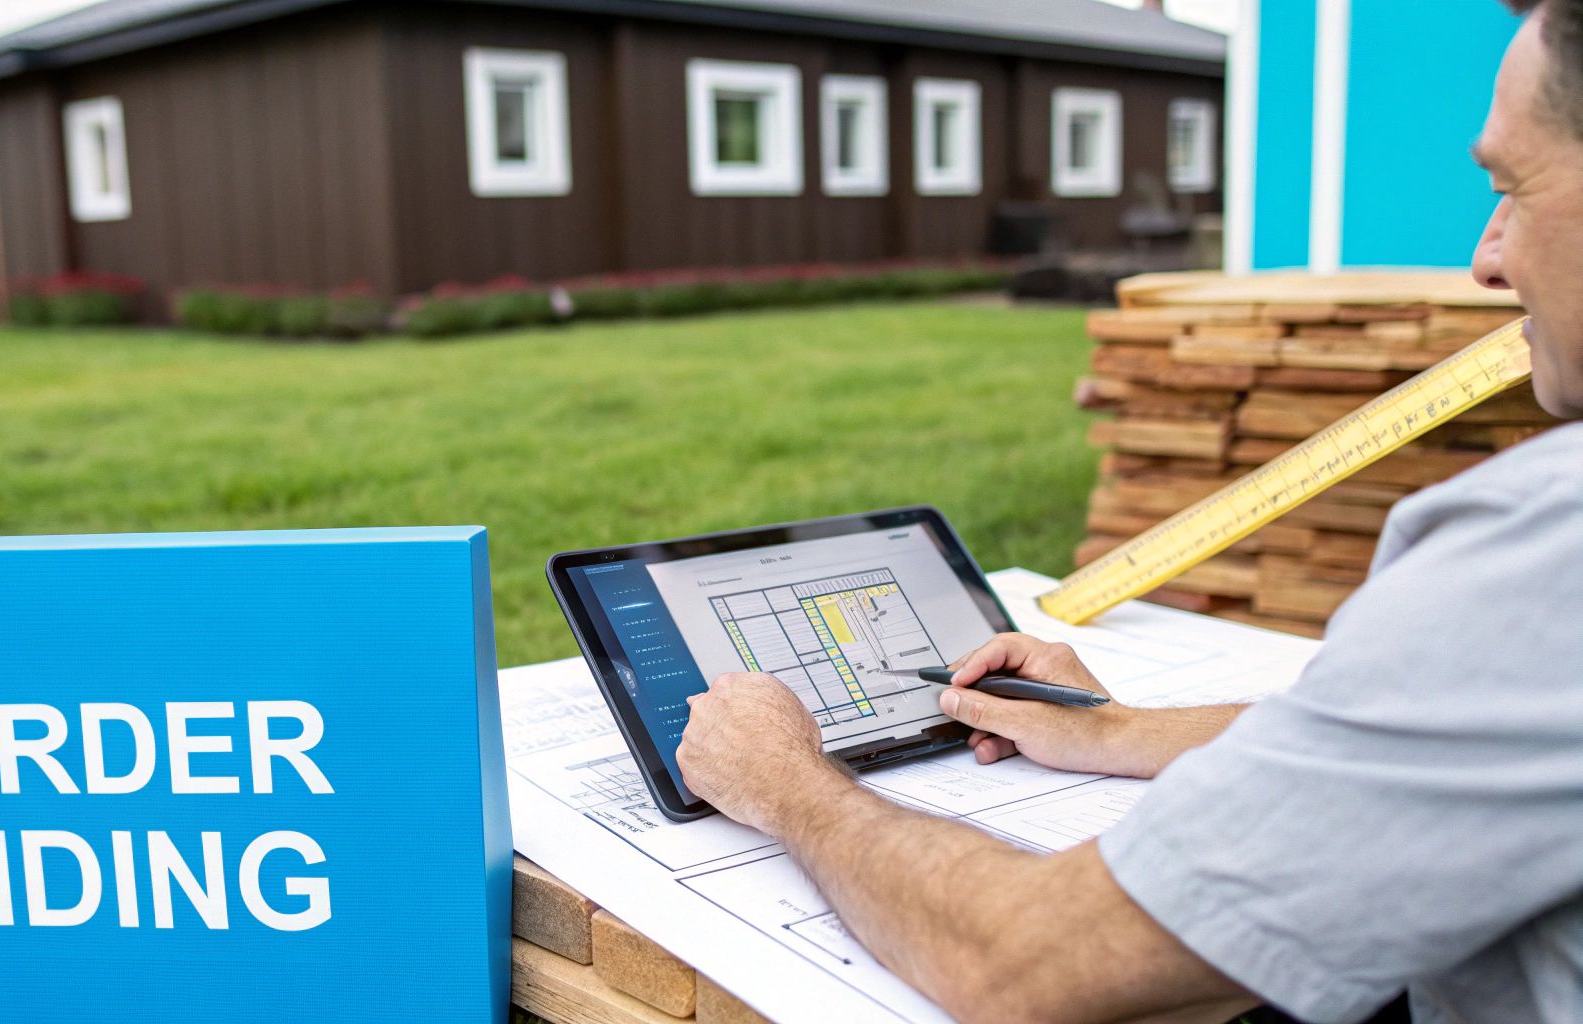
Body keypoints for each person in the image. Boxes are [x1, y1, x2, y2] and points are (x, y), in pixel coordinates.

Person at [673, 3, 1583, 1021]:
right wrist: (1114, 730)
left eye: (1508, 187)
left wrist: (787, 785)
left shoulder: (1546, 554)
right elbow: (1436, 742)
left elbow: (1024, 963)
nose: (1484, 258)